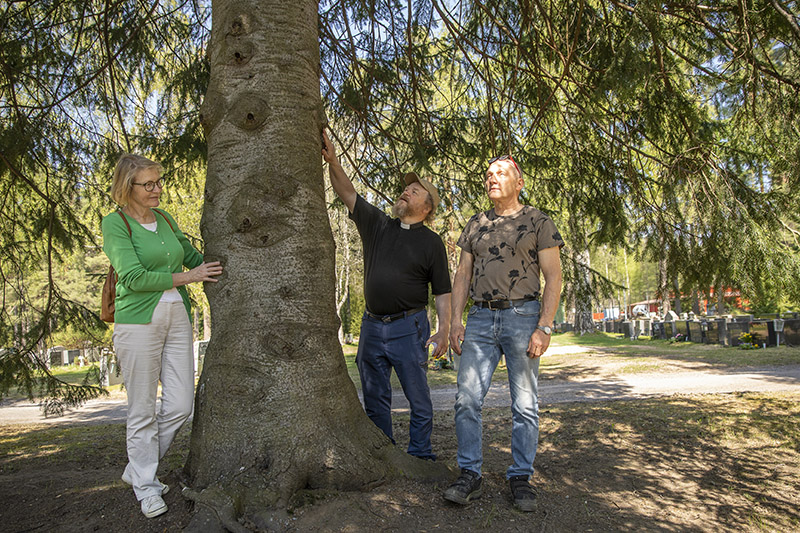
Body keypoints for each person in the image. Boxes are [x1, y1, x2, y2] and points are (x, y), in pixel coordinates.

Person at [102, 154, 223, 518]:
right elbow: (134, 277)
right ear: (128, 187)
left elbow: (189, 254)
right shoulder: (116, 223)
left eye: (158, 182)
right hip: (138, 320)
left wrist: (220, 264)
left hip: (177, 315)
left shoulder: (166, 219)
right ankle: (146, 487)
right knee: (141, 409)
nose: (157, 189)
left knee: (180, 405)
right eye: (149, 184)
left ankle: (140, 467)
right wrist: (191, 276)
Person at [321, 130, 451, 460]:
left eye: (415, 190)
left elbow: (442, 292)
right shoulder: (379, 224)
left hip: (410, 328)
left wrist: (445, 329)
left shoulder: (431, 243)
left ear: (427, 207)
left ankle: (420, 456)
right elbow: (348, 193)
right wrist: (333, 160)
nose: (406, 191)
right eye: (406, 188)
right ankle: (385, 456)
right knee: (375, 397)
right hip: (372, 327)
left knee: (418, 398)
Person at [443, 154, 563, 511]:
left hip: (523, 316)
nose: (492, 178)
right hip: (479, 319)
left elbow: (554, 276)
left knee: (525, 404)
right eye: (488, 174)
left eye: (500, 173)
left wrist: (544, 325)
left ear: (519, 182)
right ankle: (470, 475)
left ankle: (520, 476)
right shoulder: (475, 224)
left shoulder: (538, 221)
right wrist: (454, 321)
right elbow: (463, 275)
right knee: (467, 400)